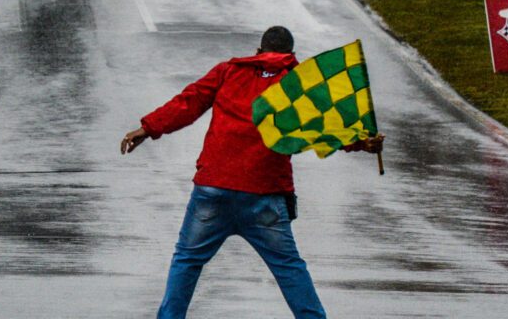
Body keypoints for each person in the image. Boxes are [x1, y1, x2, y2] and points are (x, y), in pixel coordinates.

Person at [119, 26, 385, 319]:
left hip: (213, 189)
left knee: (187, 259)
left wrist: (148, 127)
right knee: (288, 267)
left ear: (258, 52)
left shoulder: (228, 71)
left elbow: (189, 102)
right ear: (291, 55)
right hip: (265, 196)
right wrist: (363, 142)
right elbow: (324, 126)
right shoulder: (296, 85)